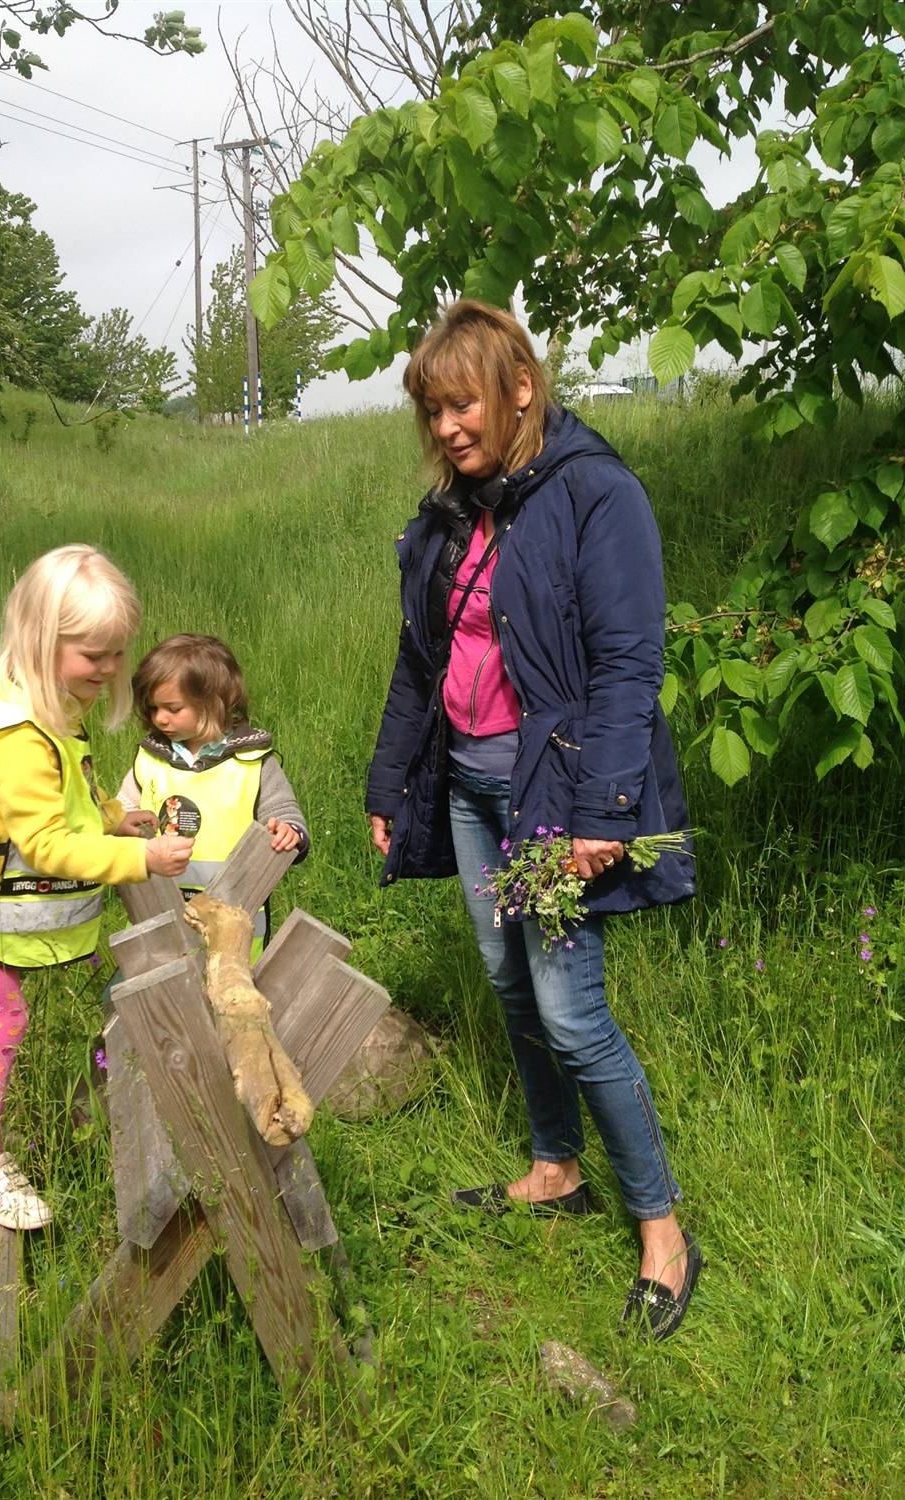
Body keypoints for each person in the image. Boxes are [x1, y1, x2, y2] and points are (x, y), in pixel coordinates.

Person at [366, 300, 702, 1340]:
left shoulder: (596, 495)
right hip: (467, 787)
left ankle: (662, 1230)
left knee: (569, 1011)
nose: (447, 430)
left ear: (519, 387)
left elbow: (627, 668)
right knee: (510, 984)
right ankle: (556, 1169)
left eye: (460, 404)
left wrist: (605, 809)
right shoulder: (453, 515)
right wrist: (390, 784)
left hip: (552, 800)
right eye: (432, 414)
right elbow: (419, 662)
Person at [0, 544, 194, 1231]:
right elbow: (46, 844)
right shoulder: (17, 736)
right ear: (41, 641)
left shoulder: (39, 707)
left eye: (117, 653)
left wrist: (114, 818)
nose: (110, 669)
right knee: (1, 1021)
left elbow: (65, 797)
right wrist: (144, 858)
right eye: (94, 655)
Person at [118, 633, 308, 951]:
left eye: (172, 708)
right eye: (152, 708)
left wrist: (289, 832)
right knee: (159, 993)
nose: (159, 718)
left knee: (232, 994)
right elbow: (123, 811)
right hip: (158, 912)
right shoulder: (150, 759)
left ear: (212, 702)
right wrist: (120, 826)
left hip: (235, 918)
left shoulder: (252, 762)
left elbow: (283, 810)